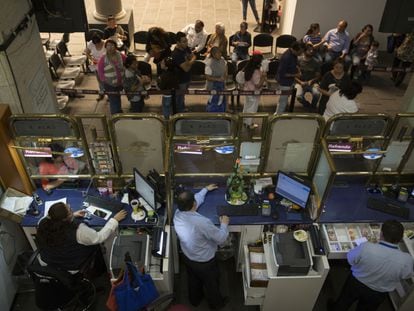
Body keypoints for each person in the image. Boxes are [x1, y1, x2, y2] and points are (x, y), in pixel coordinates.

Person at [329, 220, 414, 311]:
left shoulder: (366, 247)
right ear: (401, 238)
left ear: (381, 234)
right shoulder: (407, 260)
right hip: (379, 292)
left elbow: (350, 259)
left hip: (356, 283)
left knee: (343, 302)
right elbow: (406, 275)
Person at [174, 185, 230, 309]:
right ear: (193, 203)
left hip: (188, 257)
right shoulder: (202, 223)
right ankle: (216, 305)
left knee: (193, 280)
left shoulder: (177, 214)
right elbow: (221, 238)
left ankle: (195, 300)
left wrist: (205, 190)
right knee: (212, 284)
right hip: (205, 262)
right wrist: (224, 224)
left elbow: (195, 202)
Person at [37, 202, 127, 271]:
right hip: (70, 265)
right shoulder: (78, 231)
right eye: (70, 211)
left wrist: (73, 215)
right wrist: (114, 220)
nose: (71, 209)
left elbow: (58, 221)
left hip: (47, 260)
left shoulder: (42, 222)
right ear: (65, 218)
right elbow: (99, 237)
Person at [237, 51, 266, 128]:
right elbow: (258, 85)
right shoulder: (256, 71)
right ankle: (249, 124)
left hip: (247, 90)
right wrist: (263, 77)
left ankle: (244, 120)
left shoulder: (248, 67)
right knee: (252, 108)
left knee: (247, 106)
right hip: (254, 92)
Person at [275, 41, 305, 114]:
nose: (301, 54)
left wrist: (297, 69)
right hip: (284, 83)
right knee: (282, 101)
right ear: (295, 50)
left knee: (285, 99)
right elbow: (282, 74)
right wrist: (296, 75)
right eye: (300, 52)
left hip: (290, 81)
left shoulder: (294, 54)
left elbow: (295, 64)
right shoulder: (286, 57)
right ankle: (277, 116)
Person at [97, 39, 126, 114]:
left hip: (120, 82)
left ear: (116, 47)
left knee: (117, 96)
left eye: (112, 45)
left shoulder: (120, 55)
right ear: (105, 47)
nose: (110, 47)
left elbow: (127, 62)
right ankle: (115, 114)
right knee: (113, 99)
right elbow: (100, 71)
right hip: (109, 83)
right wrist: (104, 80)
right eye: (108, 45)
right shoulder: (103, 58)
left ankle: (118, 109)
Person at [172, 32, 196, 113]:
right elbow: (186, 68)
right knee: (179, 96)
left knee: (182, 95)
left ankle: (182, 108)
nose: (186, 43)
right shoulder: (176, 54)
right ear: (178, 42)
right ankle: (179, 112)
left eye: (186, 40)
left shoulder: (186, 48)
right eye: (184, 41)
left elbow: (193, 56)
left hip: (187, 77)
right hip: (180, 80)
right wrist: (191, 61)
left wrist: (189, 62)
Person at [205, 47, 227, 112]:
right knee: (213, 103)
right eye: (218, 53)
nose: (220, 54)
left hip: (222, 85)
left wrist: (225, 76)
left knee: (221, 101)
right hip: (212, 86)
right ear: (213, 54)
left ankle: (221, 116)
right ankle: (213, 118)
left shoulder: (222, 60)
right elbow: (207, 77)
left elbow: (225, 68)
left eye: (220, 53)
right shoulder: (209, 63)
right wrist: (218, 79)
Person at [84, 32, 106, 101]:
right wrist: (91, 59)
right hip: (96, 64)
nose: (96, 45)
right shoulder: (91, 43)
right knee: (100, 80)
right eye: (95, 44)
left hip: (105, 64)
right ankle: (102, 92)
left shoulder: (105, 43)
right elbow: (86, 52)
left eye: (98, 43)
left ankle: (109, 93)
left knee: (107, 80)